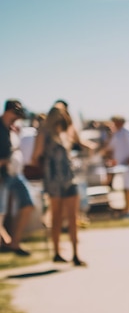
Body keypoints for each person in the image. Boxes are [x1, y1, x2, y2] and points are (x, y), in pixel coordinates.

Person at [31, 105, 86, 266]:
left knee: (72, 217)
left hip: (69, 177)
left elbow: (78, 142)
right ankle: (57, 252)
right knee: (56, 216)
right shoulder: (44, 134)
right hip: (54, 179)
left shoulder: (67, 131)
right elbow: (36, 156)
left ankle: (75, 253)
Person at [0, 99, 35, 256]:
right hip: (2, 174)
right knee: (1, 211)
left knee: (27, 204)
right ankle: (6, 240)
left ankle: (14, 242)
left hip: (15, 172)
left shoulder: (12, 129)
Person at [103, 116, 129, 218]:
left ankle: (128, 209)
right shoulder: (119, 132)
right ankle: (126, 209)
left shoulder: (128, 131)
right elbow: (111, 147)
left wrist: (128, 162)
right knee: (126, 188)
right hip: (123, 165)